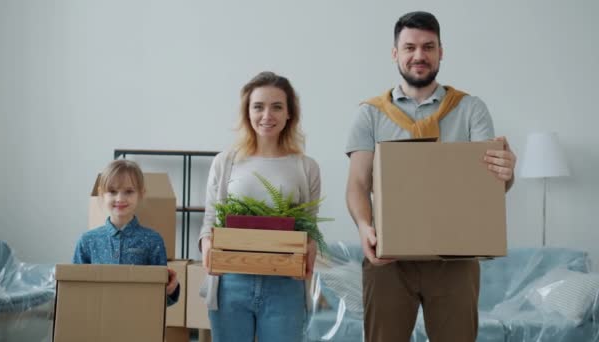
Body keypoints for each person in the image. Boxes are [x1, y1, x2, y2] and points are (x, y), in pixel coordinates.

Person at [345, 11, 516, 342]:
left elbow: (489, 184)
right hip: (389, 258)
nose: (419, 56)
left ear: (441, 51)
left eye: (428, 47)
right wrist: (366, 229)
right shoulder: (370, 113)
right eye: (409, 47)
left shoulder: (471, 109)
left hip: (456, 257)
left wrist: (506, 173)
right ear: (395, 53)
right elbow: (357, 184)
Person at [198, 71, 320, 342]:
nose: (267, 115)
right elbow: (210, 222)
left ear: (290, 113)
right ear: (247, 112)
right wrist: (207, 247)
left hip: (285, 286)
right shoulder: (225, 161)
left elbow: (309, 228)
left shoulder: (305, 167)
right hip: (232, 283)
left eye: (277, 106)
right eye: (258, 106)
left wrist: (311, 248)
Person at [73, 159, 180, 305]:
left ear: (141, 194)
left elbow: (161, 299)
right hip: (97, 321)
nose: (120, 198)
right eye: (112, 191)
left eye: (129, 191)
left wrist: (170, 289)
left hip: (138, 320)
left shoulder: (153, 241)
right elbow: (75, 289)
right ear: (102, 194)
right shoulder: (87, 241)